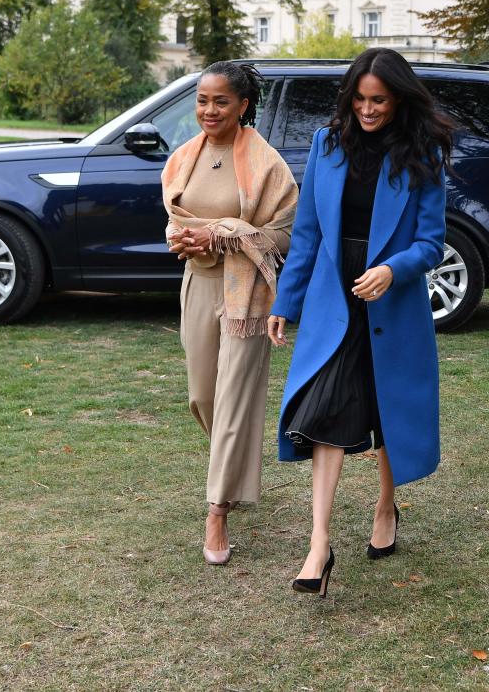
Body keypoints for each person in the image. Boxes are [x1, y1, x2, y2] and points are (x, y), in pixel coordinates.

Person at [267, 47, 451, 597]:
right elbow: (307, 233)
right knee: (324, 408)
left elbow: (432, 243)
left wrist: (393, 270)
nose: (368, 110)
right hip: (334, 296)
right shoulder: (327, 145)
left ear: (397, 100)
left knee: (387, 408)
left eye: (379, 100)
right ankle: (318, 544)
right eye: (360, 99)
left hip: (391, 300)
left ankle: (386, 505)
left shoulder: (423, 156)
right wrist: (285, 302)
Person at [161, 61, 297, 565]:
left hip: (248, 294)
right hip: (199, 283)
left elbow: (284, 234)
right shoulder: (182, 159)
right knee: (202, 397)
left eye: (220, 101)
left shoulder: (267, 164)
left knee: (237, 397)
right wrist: (188, 239)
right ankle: (233, 470)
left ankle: (217, 510)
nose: (208, 110)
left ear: (243, 105)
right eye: (202, 100)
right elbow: (175, 221)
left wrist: (223, 231)